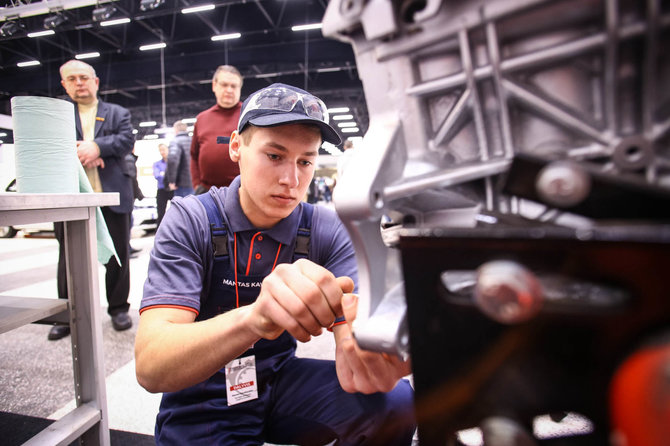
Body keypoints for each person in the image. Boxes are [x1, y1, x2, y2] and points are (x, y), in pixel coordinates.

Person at [135, 83, 416, 445]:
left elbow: (359, 314)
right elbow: (151, 365)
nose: (291, 180)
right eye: (274, 156)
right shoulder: (191, 220)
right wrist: (255, 318)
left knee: (395, 403)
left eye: (305, 161)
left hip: (277, 380)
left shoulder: (325, 228)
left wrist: (363, 347)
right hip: (199, 396)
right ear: (237, 146)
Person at [50, 59, 135, 340]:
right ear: (64, 85)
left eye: (84, 77)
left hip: (111, 194)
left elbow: (125, 139)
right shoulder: (57, 115)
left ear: (95, 81)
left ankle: (119, 308)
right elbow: (49, 143)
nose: (79, 83)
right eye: (72, 79)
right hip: (71, 196)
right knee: (68, 258)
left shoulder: (117, 112)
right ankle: (65, 314)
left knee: (117, 255)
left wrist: (97, 146)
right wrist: (82, 152)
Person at [189, 65, 242, 194]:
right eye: (224, 85)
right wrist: (197, 184)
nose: (229, 90)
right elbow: (193, 155)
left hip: (242, 192)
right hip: (206, 192)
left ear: (239, 88)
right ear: (214, 86)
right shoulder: (202, 119)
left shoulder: (249, 115)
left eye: (234, 86)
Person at [166, 120, 193, 197]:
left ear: (176, 130)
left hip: (182, 184)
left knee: (183, 208)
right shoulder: (193, 141)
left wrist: (172, 181)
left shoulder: (175, 141)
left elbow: (172, 161)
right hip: (196, 182)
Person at [153, 143, 172, 227]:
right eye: (160, 150)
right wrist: (168, 176)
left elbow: (174, 175)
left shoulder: (172, 163)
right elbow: (157, 176)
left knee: (177, 211)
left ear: (168, 150)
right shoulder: (157, 164)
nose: (162, 152)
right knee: (161, 213)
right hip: (162, 190)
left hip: (172, 189)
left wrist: (163, 174)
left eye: (163, 149)